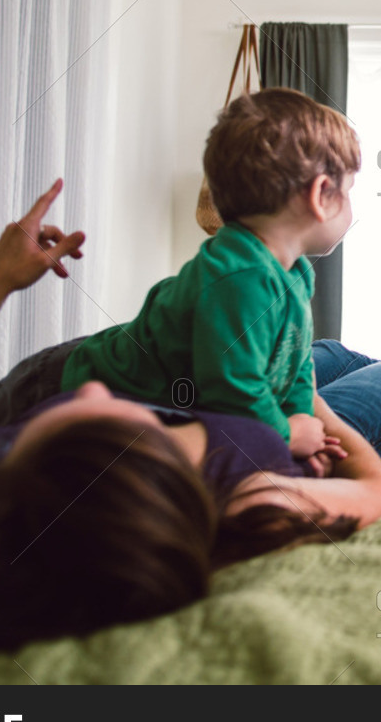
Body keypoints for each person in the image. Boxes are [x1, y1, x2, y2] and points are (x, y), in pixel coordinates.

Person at [0, 181, 381, 656]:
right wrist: (309, 407)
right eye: (120, 413)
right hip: (320, 440)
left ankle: (345, 362)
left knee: (331, 350)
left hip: (243, 386)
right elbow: (378, 492)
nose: (89, 389)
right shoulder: (252, 500)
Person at [59, 88, 359, 460]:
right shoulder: (241, 277)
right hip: (84, 382)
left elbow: (296, 365)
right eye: (350, 190)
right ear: (321, 193)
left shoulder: (295, 273)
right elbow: (233, 393)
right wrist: (285, 437)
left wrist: (301, 425)